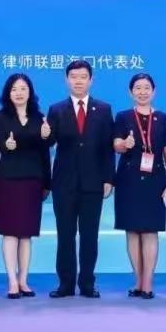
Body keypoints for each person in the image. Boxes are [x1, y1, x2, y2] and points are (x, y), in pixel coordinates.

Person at [46, 60, 115, 298]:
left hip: (93, 182)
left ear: (91, 80)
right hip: (64, 183)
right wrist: (45, 134)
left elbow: (108, 147)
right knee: (65, 235)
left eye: (83, 77)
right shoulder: (56, 110)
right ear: (67, 80)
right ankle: (65, 284)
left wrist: (109, 178)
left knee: (89, 236)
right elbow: (49, 142)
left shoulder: (103, 109)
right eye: (73, 76)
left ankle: (87, 283)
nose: (78, 81)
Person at [113, 73, 166, 299]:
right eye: (137, 88)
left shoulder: (164, 118)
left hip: (155, 180)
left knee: (150, 231)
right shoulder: (122, 117)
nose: (142, 92)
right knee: (132, 231)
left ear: (154, 91)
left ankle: (148, 283)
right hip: (128, 180)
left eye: (146, 87)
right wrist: (124, 143)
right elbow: (116, 145)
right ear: (131, 92)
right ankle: (138, 281)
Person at [0, 73, 52, 299]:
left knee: (26, 234)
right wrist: (5, 145)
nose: (19, 93)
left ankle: (24, 279)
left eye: (23, 88)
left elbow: (45, 152)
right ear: (8, 93)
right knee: (9, 232)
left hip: (32, 180)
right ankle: (11, 281)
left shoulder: (39, 118)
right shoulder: (0, 117)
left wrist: (47, 182)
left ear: (30, 92)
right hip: (8, 180)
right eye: (14, 89)